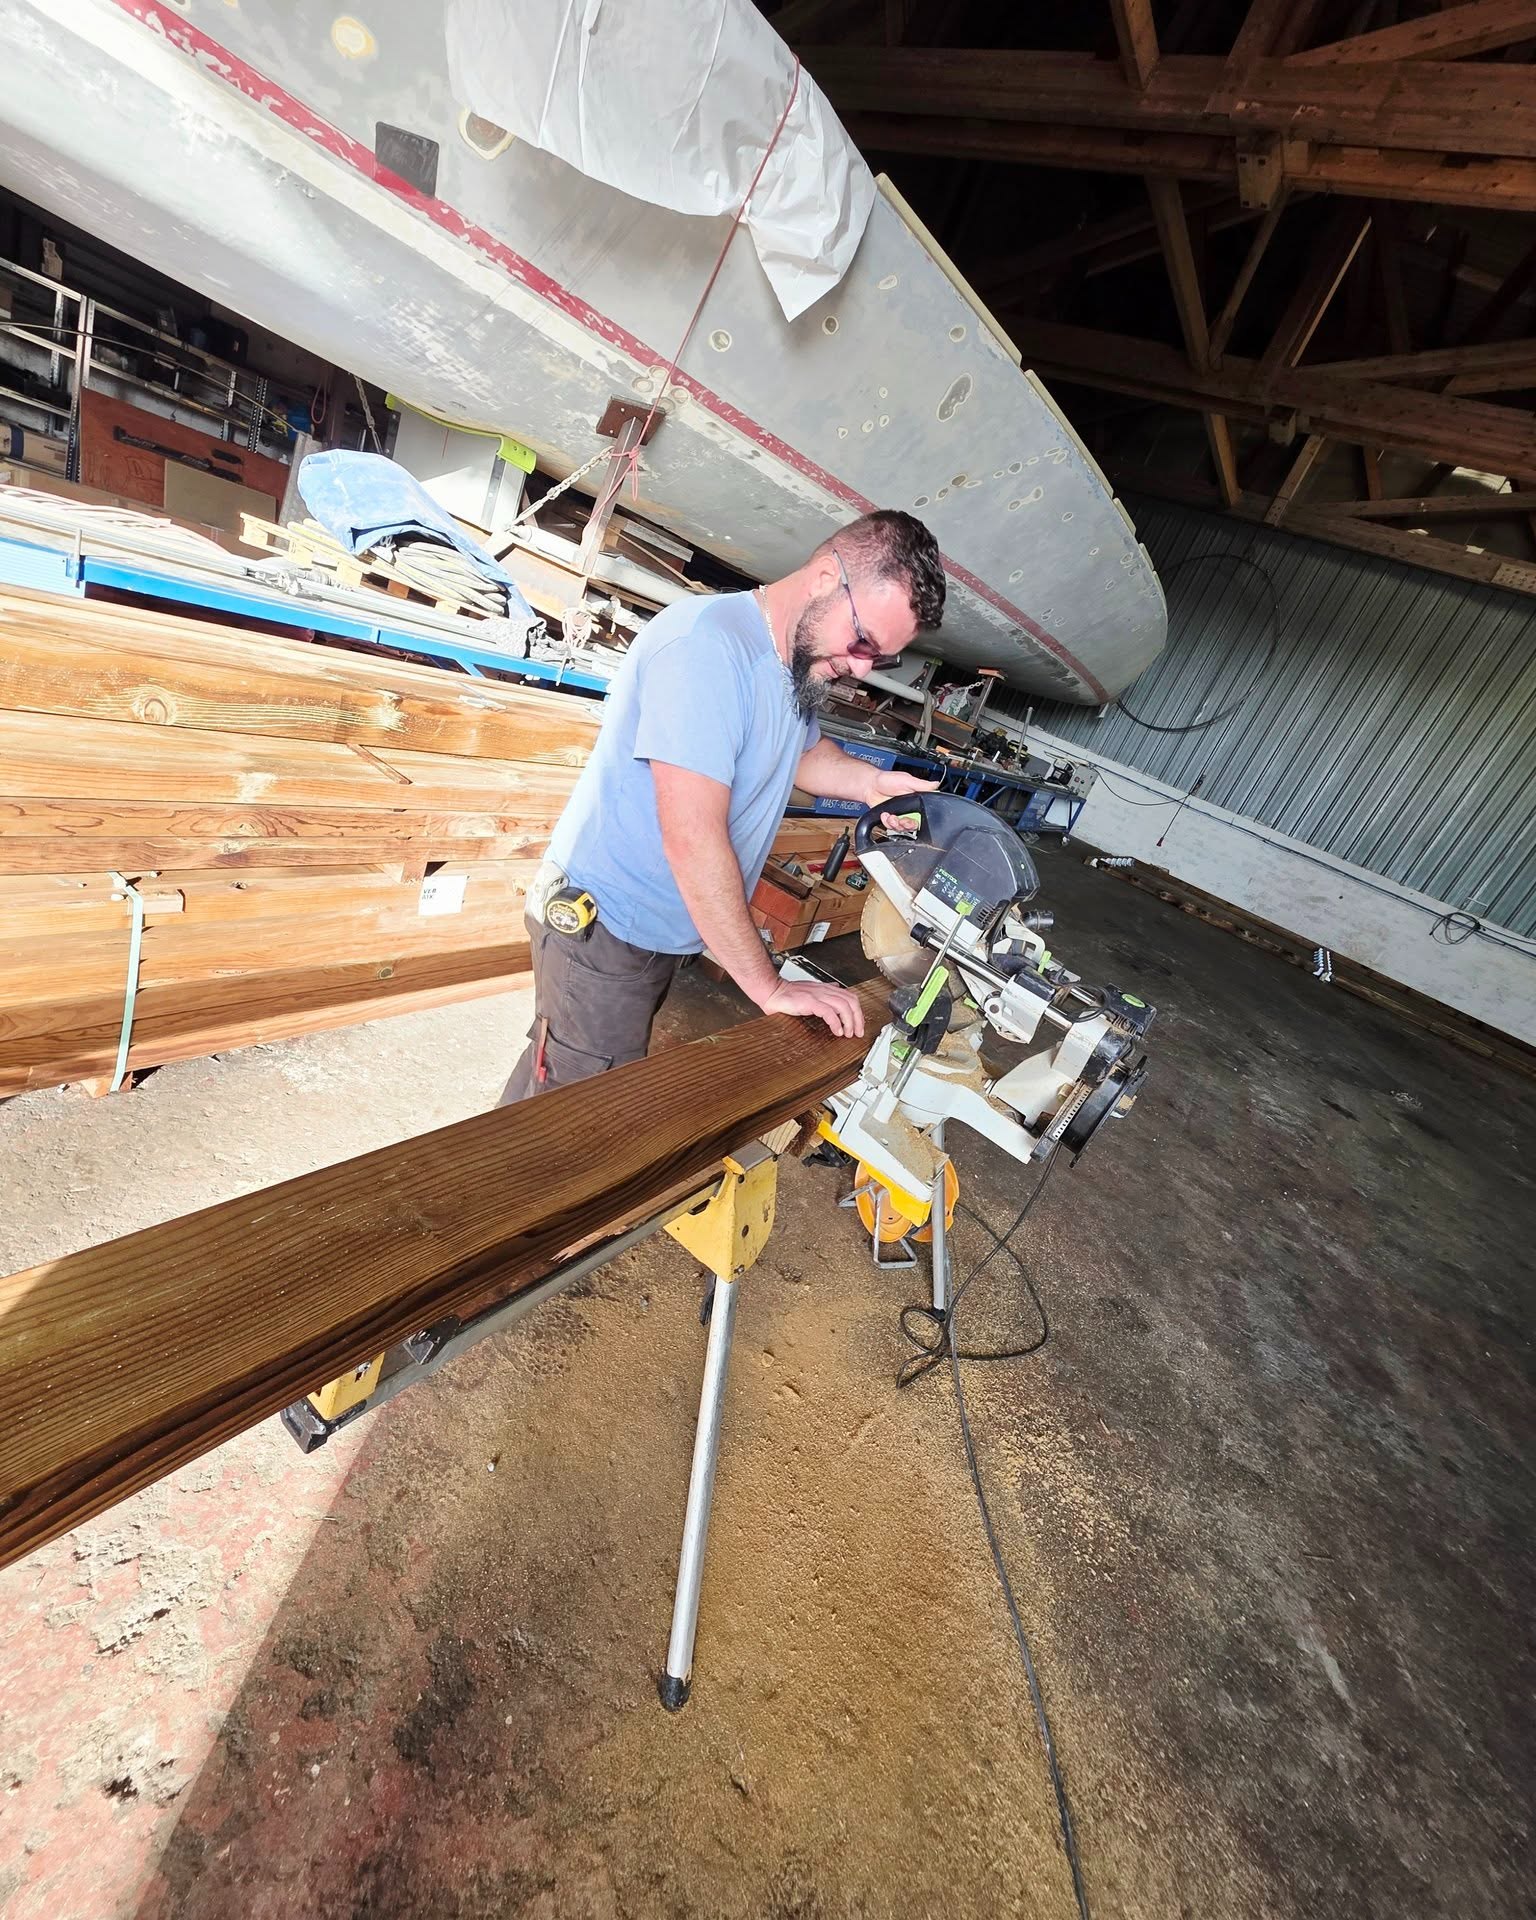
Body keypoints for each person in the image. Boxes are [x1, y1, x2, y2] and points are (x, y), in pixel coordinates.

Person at [499, 508, 946, 1103]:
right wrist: (768, 986)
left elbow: (803, 753)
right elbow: (692, 839)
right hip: (605, 929)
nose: (863, 666)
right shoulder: (706, 650)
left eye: (881, 657)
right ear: (823, 577)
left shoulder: (793, 661)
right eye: (863, 641)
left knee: (556, 1077)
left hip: (659, 928)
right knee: (575, 1115)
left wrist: (869, 784)